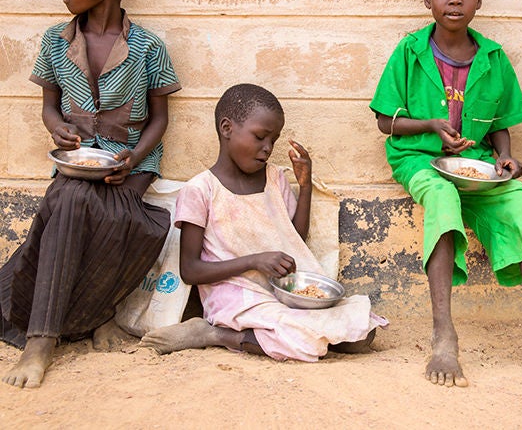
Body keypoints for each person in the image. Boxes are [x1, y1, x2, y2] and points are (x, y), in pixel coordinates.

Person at [369, 0, 522, 388]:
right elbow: (384, 121)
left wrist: (504, 158)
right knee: (442, 198)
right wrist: (431, 126)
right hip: (419, 159)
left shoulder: (492, 56)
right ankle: (444, 336)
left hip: (477, 166)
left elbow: (502, 125)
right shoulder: (410, 52)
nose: (455, 0)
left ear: (479, 0)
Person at [0, 0, 181, 388]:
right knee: (72, 200)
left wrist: (133, 156)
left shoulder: (148, 47)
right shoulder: (54, 41)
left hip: (132, 170)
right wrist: (54, 128)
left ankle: (53, 332)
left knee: (89, 211)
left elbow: (159, 119)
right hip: (75, 165)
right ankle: (72, 325)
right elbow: (49, 105)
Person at [140, 84, 386, 361]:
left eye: (274, 140)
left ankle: (268, 332)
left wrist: (305, 187)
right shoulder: (200, 190)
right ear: (226, 128)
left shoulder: (275, 179)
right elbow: (190, 270)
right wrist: (254, 261)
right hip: (234, 295)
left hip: (281, 292)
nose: (267, 148)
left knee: (362, 334)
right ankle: (215, 334)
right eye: (260, 137)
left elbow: (296, 237)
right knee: (301, 340)